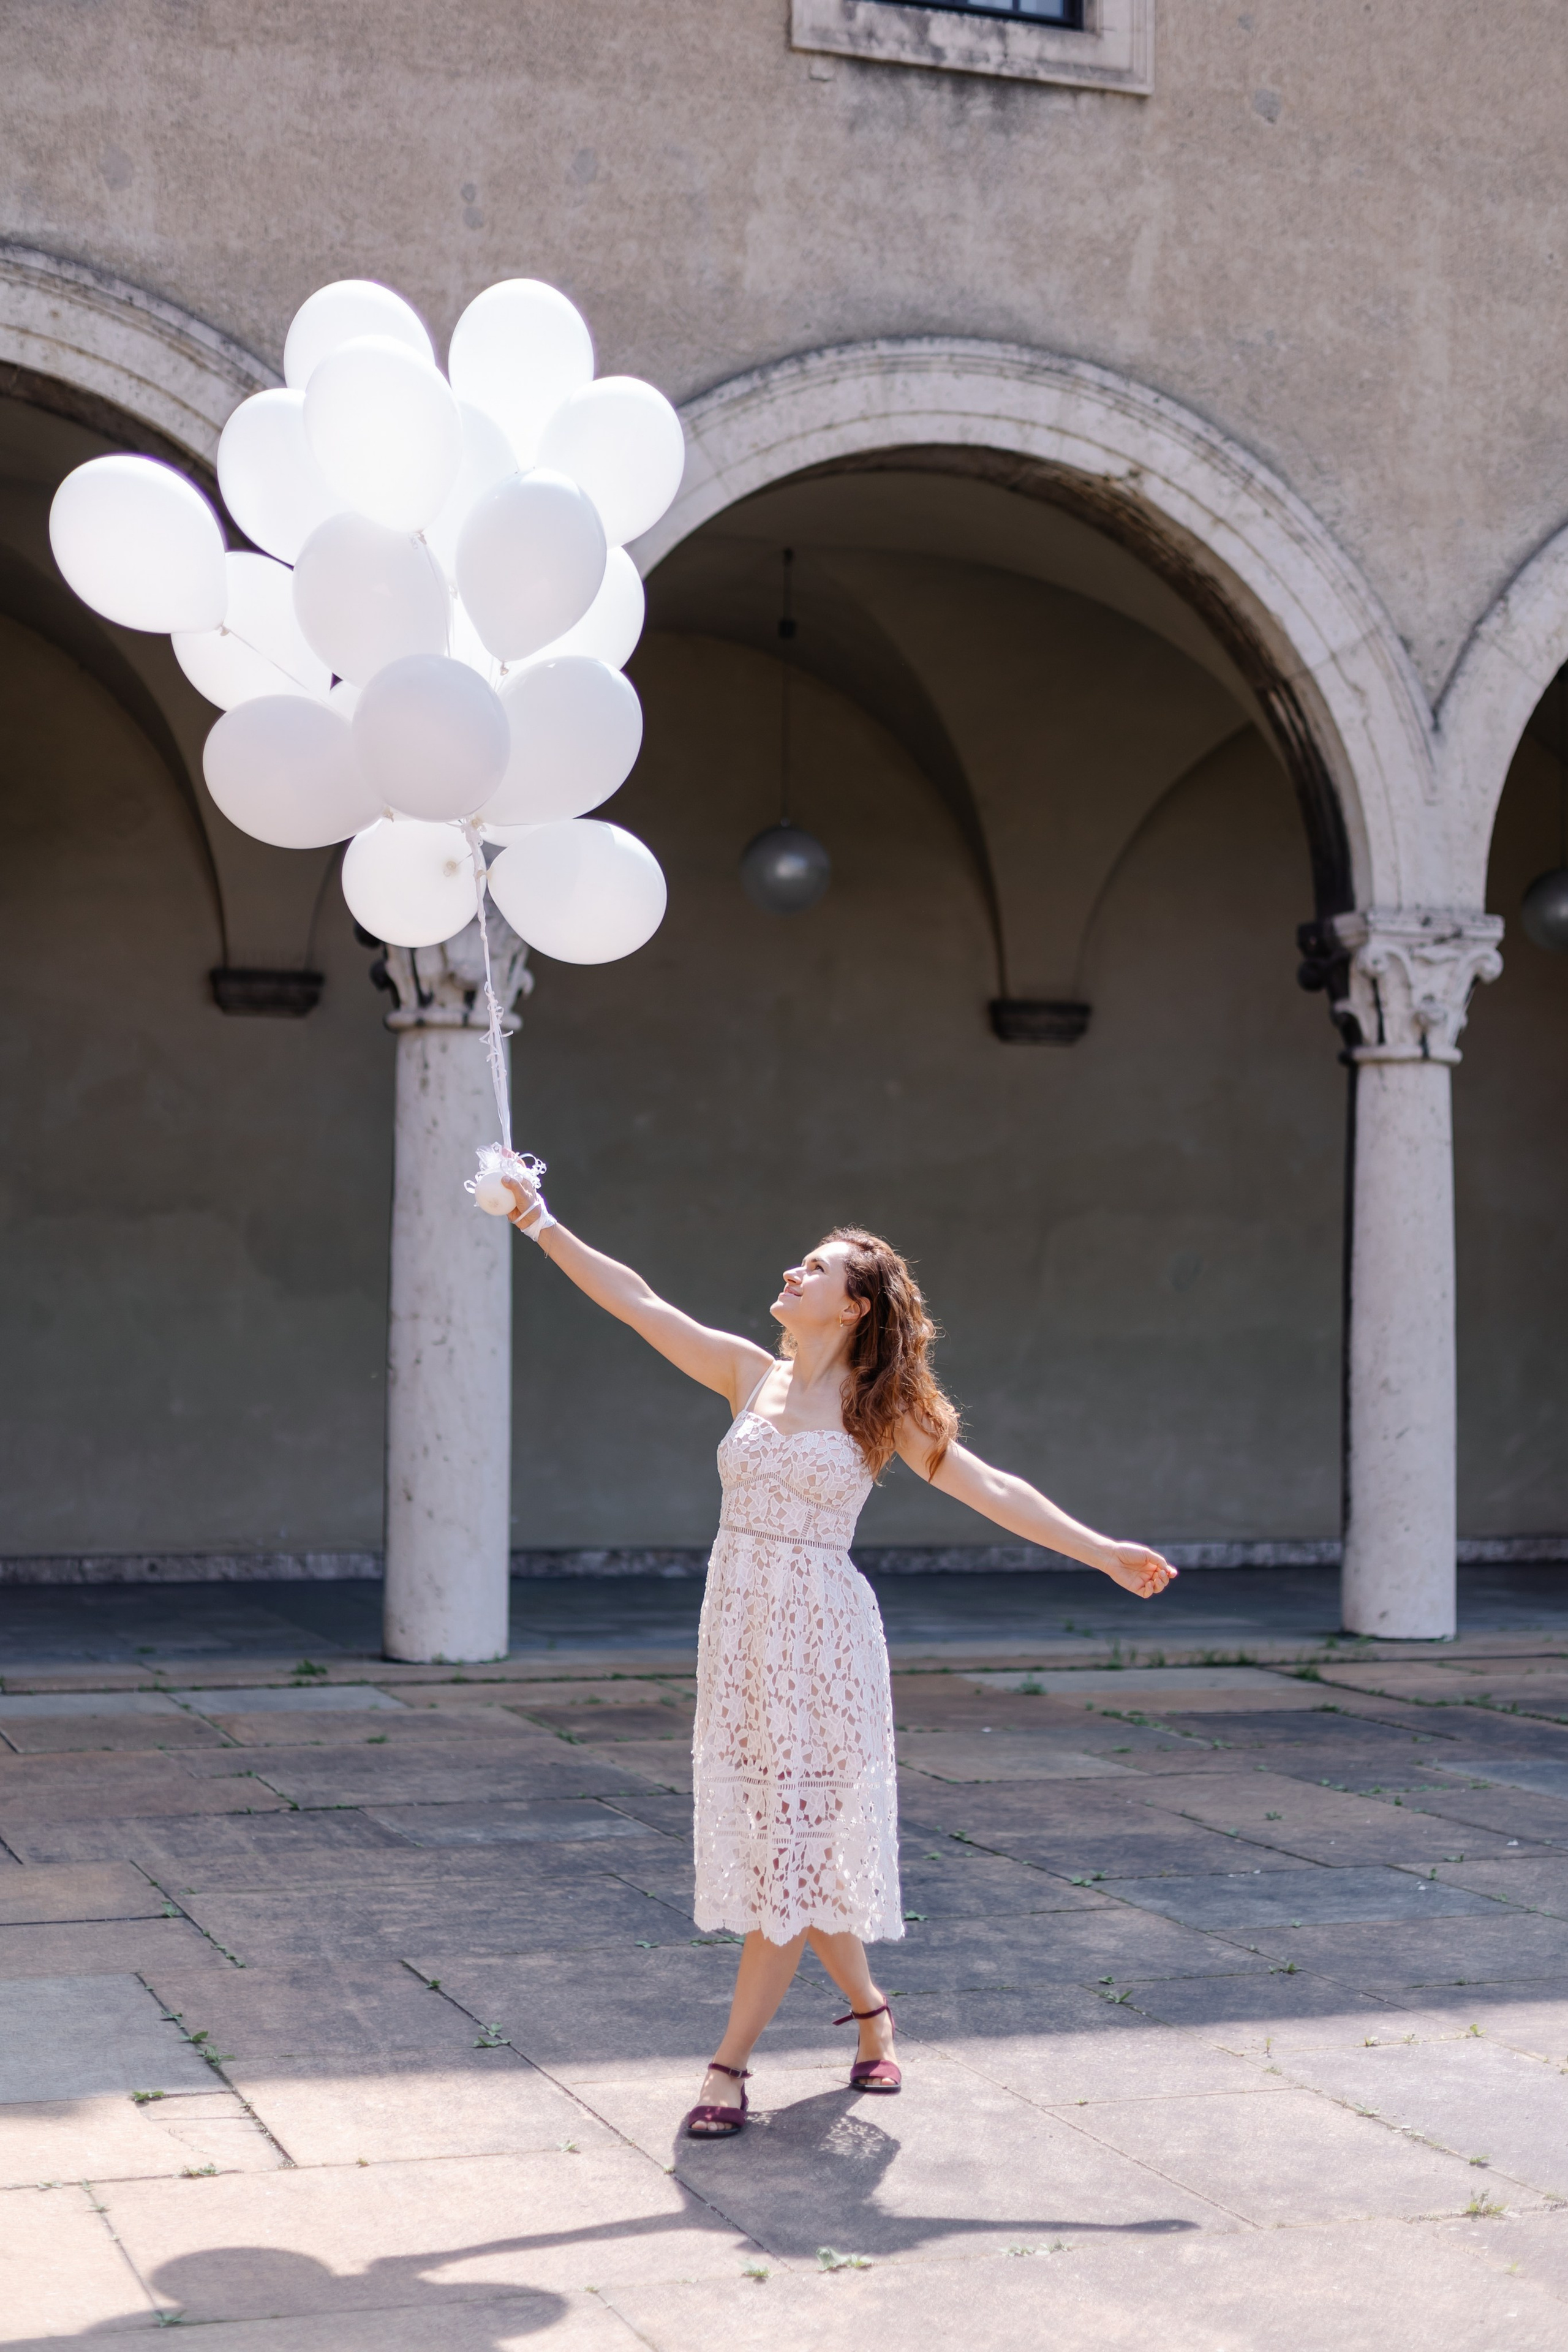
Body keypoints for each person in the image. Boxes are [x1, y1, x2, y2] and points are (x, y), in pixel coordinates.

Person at [502, 1173, 1175, 2139]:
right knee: (799, 1851)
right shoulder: (746, 1372)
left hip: (821, 1641)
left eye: (813, 1267)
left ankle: (728, 2067)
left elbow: (993, 1488)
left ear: (853, 1304)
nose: (793, 1269)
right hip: (739, 1635)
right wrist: (538, 1220)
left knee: (790, 1855)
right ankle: (870, 2016)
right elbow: (636, 1300)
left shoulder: (882, 1408)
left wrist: (1103, 1551)